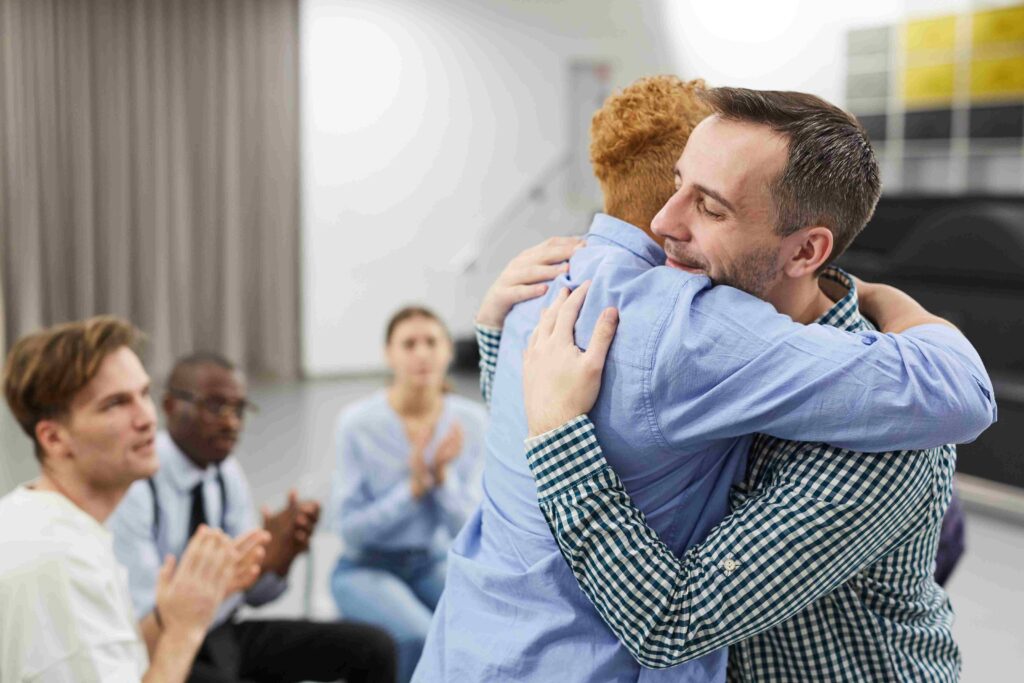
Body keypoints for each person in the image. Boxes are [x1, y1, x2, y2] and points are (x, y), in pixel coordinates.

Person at [412, 78, 996, 682]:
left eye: (710, 207)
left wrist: (559, 432)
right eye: (675, 184)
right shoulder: (678, 330)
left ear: (805, 253)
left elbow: (672, 621)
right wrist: (497, 326)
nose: (662, 223)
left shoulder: (885, 431)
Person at [109, 352, 397, 683]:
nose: (231, 422)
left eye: (239, 409)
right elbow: (149, 617)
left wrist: (279, 556)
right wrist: (234, 578)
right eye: (216, 406)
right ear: (171, 405)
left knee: (374, 647)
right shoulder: (138, 483)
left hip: (221, 632)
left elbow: (255, 598)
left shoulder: (225, 472)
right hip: (160, 647)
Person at [0, 316, 259, 683]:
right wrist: (184, 631)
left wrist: (175, 611)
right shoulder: (60, 561)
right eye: (115, 404)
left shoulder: (54, 524)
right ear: (54, 439)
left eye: (143, 394)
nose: (147, 418)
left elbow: (119, 658)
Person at [330, 306, 487, 683]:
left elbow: (474, 531)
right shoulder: (358, 424)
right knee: (419, 636)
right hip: (365, 567)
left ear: (449, 351)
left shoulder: (470, 421)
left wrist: (441, 481)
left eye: (431, 342)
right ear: (389, 354)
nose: (421, 353)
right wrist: (412, 490)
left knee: (483, 630)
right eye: (409, 344)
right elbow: (350, 533)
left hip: (431, 562)